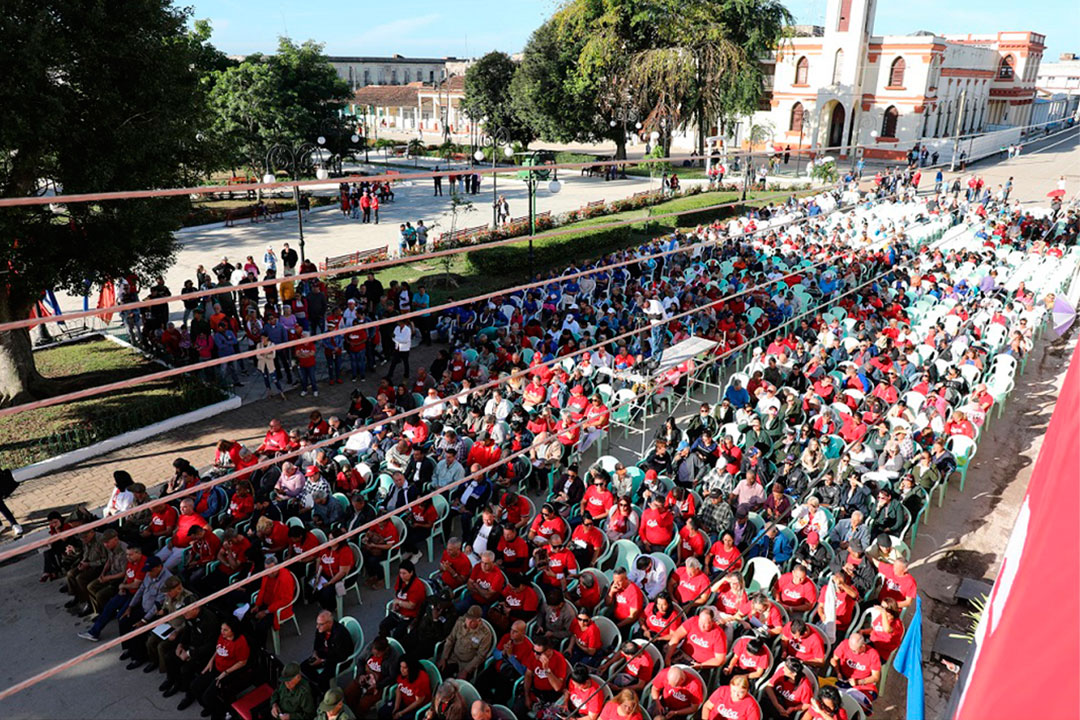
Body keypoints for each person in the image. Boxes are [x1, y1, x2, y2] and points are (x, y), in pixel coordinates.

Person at [182, 616, 251, 720]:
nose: (222, 632)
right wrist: (211, 661)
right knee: (194, 686)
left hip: (228, 671)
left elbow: (242, 662)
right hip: (215, 667)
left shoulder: (240, 642)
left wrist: (226, 672)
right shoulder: (222, 636)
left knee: (208, 696)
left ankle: (220, 713)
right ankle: (209, 707)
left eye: (225, 630)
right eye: (221, 629)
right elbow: (218, 649)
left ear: (233, 630)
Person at [302, 610, 357, 694]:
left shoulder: (340, 635)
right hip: (323, 655)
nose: (317, 627)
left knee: (323, 679)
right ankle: (320, 686)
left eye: (321, 624)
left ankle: (327, 694)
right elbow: (316, 645)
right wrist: (315, 655)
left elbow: (341, 656)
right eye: (317, 623)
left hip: (337, 660)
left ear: (330, 623)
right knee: (303, 666)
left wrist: (322, 661)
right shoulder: (320, 630)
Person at [438, 605, 495, 679]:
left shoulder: (485, 634)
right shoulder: (460, 622)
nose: (469, 622)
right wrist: (443, 658)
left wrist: (466, 670)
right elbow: (450, 639)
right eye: (468, 618)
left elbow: (480, 656)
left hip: (467, 663)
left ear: (478, 620)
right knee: (441, 674)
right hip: (453, 657)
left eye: (473, 620)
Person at [380, 655, 433, 720]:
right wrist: (396, 707)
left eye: (405, 668)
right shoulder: (401, 674)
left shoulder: (421, 678)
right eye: (401, 666)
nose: (402, 670)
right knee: (383, 712)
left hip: (416, 707)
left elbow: (418, 701)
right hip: (404, 700)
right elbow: (399, 688)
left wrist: (401, 713)